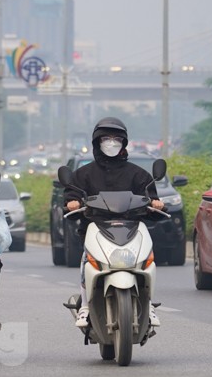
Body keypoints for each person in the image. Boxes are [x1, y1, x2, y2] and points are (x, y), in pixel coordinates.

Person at [63, 117, 164, 332]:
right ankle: (86, 305)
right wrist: (71, 204)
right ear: (97, 142)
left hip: (131, 228)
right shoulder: (82, 174)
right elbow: (71, 197)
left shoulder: (139, 174)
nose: (111, 142)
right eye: (105, 138)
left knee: (147, 260)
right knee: (86, 262)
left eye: (116, 138)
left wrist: (156, 204)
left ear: (124, 142)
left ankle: (148, 302)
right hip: (95, 228)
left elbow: (150, 199)